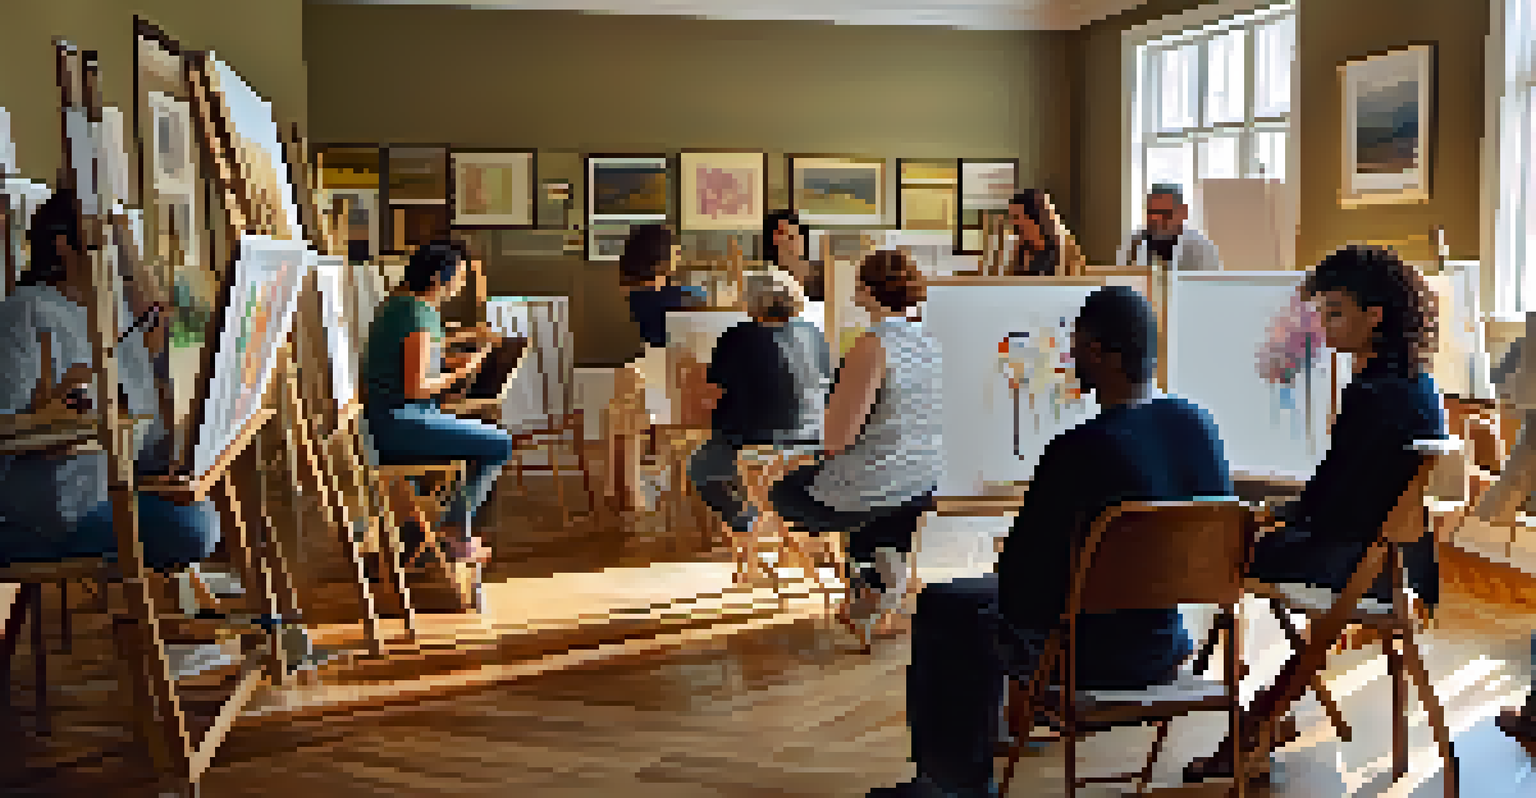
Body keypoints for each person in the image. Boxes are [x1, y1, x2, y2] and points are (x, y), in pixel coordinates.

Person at [867, 285, 1232, 798]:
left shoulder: (1077, 451)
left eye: (1078, 344)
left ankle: (954, 785)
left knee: (947, 606)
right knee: (980, 606)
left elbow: (1022, 594)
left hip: (1084, 657)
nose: (1071, 355)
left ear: (1103, 353)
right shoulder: (1200, 426)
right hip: (1163, 646)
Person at [1183, 244, 1447, 783]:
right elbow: (1348, 492)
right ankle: (1264, 717)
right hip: (1405, 565)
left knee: (1228, 553)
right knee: (1255, 535)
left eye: (1336, 313)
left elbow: (1332, 506)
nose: (1325, 327)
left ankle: (1250, 723)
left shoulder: (1373, 394)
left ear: (1375, 315)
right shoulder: (1418, 382)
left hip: (1359, 568)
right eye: (1322, 313)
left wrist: (1271, 516)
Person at [0, 187, 222, 572]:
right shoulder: (26, 312)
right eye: (106, 237)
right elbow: (7, 421)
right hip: (61, 503)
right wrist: (45, 416)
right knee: (189, 527)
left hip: (117, 483)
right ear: (63, 245)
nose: (118, 253)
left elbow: (146, 426)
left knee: (196, 513)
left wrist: (178, 461)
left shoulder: (117, 309)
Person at [768, 249, 943, 640]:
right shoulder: (929, 344)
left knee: (786, 489)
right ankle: (883, 578)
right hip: (924, 477)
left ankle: (866, 590)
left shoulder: (871, 346)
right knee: (866, 488)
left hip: (881, 482)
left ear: (868, 290)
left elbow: (836, 439)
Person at [361, 240, 511, 565]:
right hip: (402, 422)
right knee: (499, 443)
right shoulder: (417, 313)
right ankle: (455, 532)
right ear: (437, 277)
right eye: (459, 275)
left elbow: (417, 362)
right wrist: (465, 370)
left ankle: (430, 530)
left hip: (388, 421)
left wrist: (453, 361)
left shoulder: (400, 306)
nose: (461, 283)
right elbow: (416, 388)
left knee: (484, 439)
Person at [688, 270, 831, 549]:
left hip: (755, 439)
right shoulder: (813, 334)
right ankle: (786, 519)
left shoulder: (738, 337)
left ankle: (747, 519)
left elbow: (713, 392)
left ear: (753, 301)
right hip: (813, 442)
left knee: (701, 467)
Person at [606, 225, 707, 510]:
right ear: (659, 255)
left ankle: (659, 474)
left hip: (658, 367)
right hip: (670, 372)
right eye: (673, 248)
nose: (678, 253)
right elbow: (694, 297)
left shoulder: (640, 291)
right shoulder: (666, 295)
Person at [1117, 184, 1223, 271]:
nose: (1157, 220)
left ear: (1183, 212)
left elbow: (1210, 284)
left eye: (1165, 214)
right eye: (1151, 214)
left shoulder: (1199, 246)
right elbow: (1120, 278)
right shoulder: (1133, 243)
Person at [1004, 190, 1083, 276]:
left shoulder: (1064, 246)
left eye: (1016, 217)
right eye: (1011, 217)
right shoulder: (1018, 247)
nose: (1013, 222)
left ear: (1035, 217)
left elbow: (1075, 281)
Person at [763, 210, 825, 301]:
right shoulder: (769, 281)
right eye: (790, 237)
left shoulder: (825, 271)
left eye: (798, 234)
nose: (797, 239)